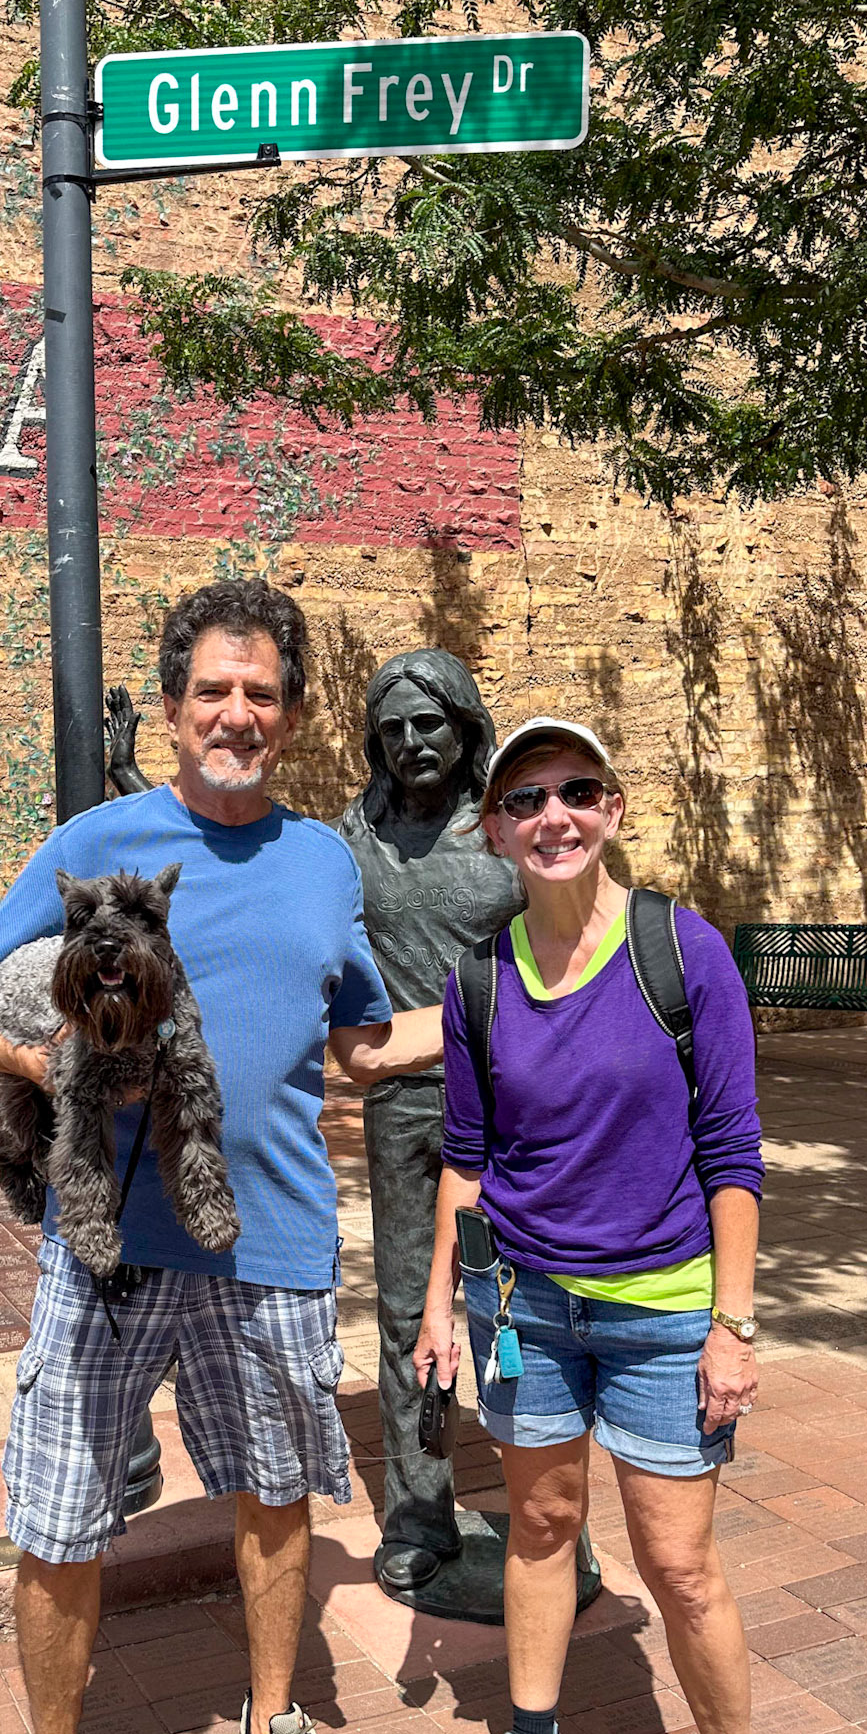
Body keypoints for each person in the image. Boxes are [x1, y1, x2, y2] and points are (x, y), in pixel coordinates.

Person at [0, 578, 443, 1734]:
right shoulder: (99, 840)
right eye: (213, 689)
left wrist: (525, 1020)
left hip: (272, 1242)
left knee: (277, 1497)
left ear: (291, 713)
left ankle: (278, 1727)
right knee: (56, 1513)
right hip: (108, 1253)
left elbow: (362, 1043)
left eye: (263, 692)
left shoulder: (325, 862)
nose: (237, 713)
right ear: (171, 708)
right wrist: (46, 1063)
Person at [415, 715, 788, 1734]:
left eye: (577, 790)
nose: (553, 815)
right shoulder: (480, 976)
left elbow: (733, 1148)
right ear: (494, 832)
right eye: (525, 800)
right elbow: (466, 1160)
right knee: (539, 1522)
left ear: (614, 808)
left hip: (666, 1312)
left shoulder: (681, 950)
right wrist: (442, 1302)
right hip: (522, 1299)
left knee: (678, 1562)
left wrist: (734, 1321)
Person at [337, 650, 520, 1594]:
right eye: (394, 727)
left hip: (524, 1108)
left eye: (430, 724)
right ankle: (418, 1510)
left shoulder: (511, 830)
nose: (413, 743)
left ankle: (542, 1500)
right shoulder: (352, 839)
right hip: (408, 1113)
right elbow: (260, 872)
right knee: (413, 1311)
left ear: (463, 726)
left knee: (532, 1304)